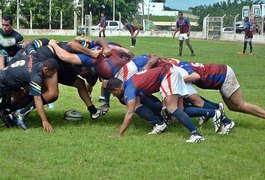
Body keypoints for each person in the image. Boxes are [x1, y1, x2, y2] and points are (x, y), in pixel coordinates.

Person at [106, 66, 205, 143]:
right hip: (169, 73)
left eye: (113, 93)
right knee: (178, 109)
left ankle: (196, 134)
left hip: (168, 74)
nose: (114, 96)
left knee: (171, 108)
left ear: (116, 89)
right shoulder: (129, 82)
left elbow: (130, 113)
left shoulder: (129, 89)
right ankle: (161, 123)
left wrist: (119, 133)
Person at [178, 61, 265, 121]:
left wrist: (178, 79)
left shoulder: (182, 67)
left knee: (241, 104)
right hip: (221, 76)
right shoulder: (181, 65)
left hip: (223, 75)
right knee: (232, 107)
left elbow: (196, 76)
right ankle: (220, 115)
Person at [0, 54, 58, 132]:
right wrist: (44, 121)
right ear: (45, 69)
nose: (50, 77)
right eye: (51, 74)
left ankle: (7, 112)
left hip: (4, 78)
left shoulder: (32, 58)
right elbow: (37, 99)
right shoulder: (36, 77)